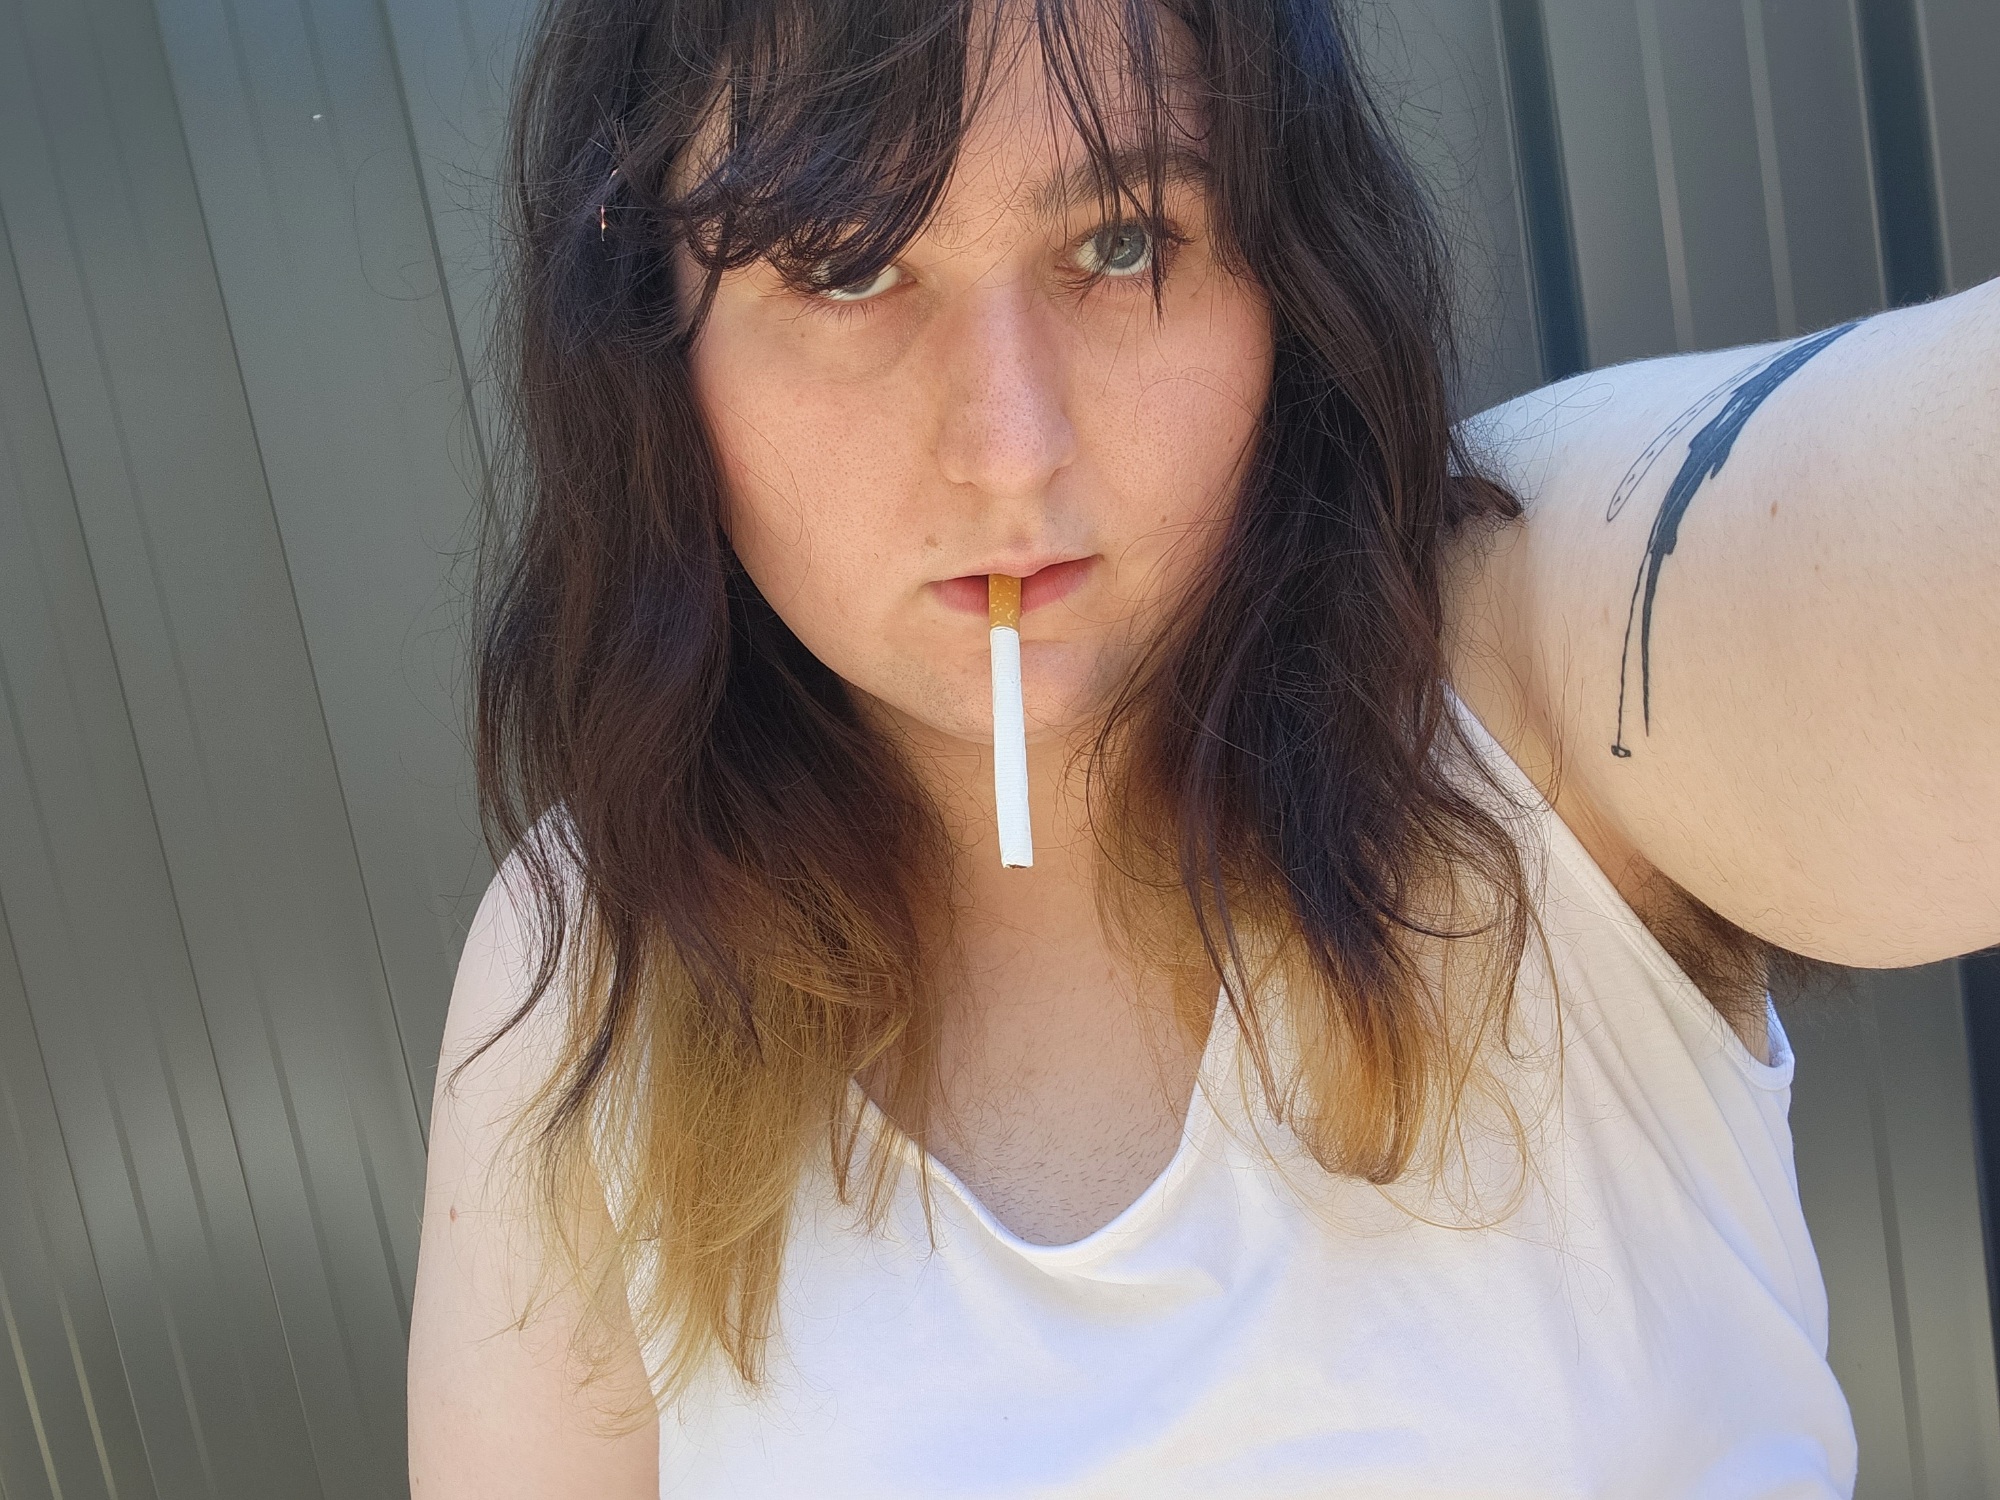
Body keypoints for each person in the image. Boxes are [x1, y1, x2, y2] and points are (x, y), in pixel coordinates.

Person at [405, 0, 1999, 1494]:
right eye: (846, 263)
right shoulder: (589, 974)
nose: (1011, 449)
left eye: (1120, 241)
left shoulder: (1529, 665)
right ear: (649, 336)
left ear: (1284, 270)